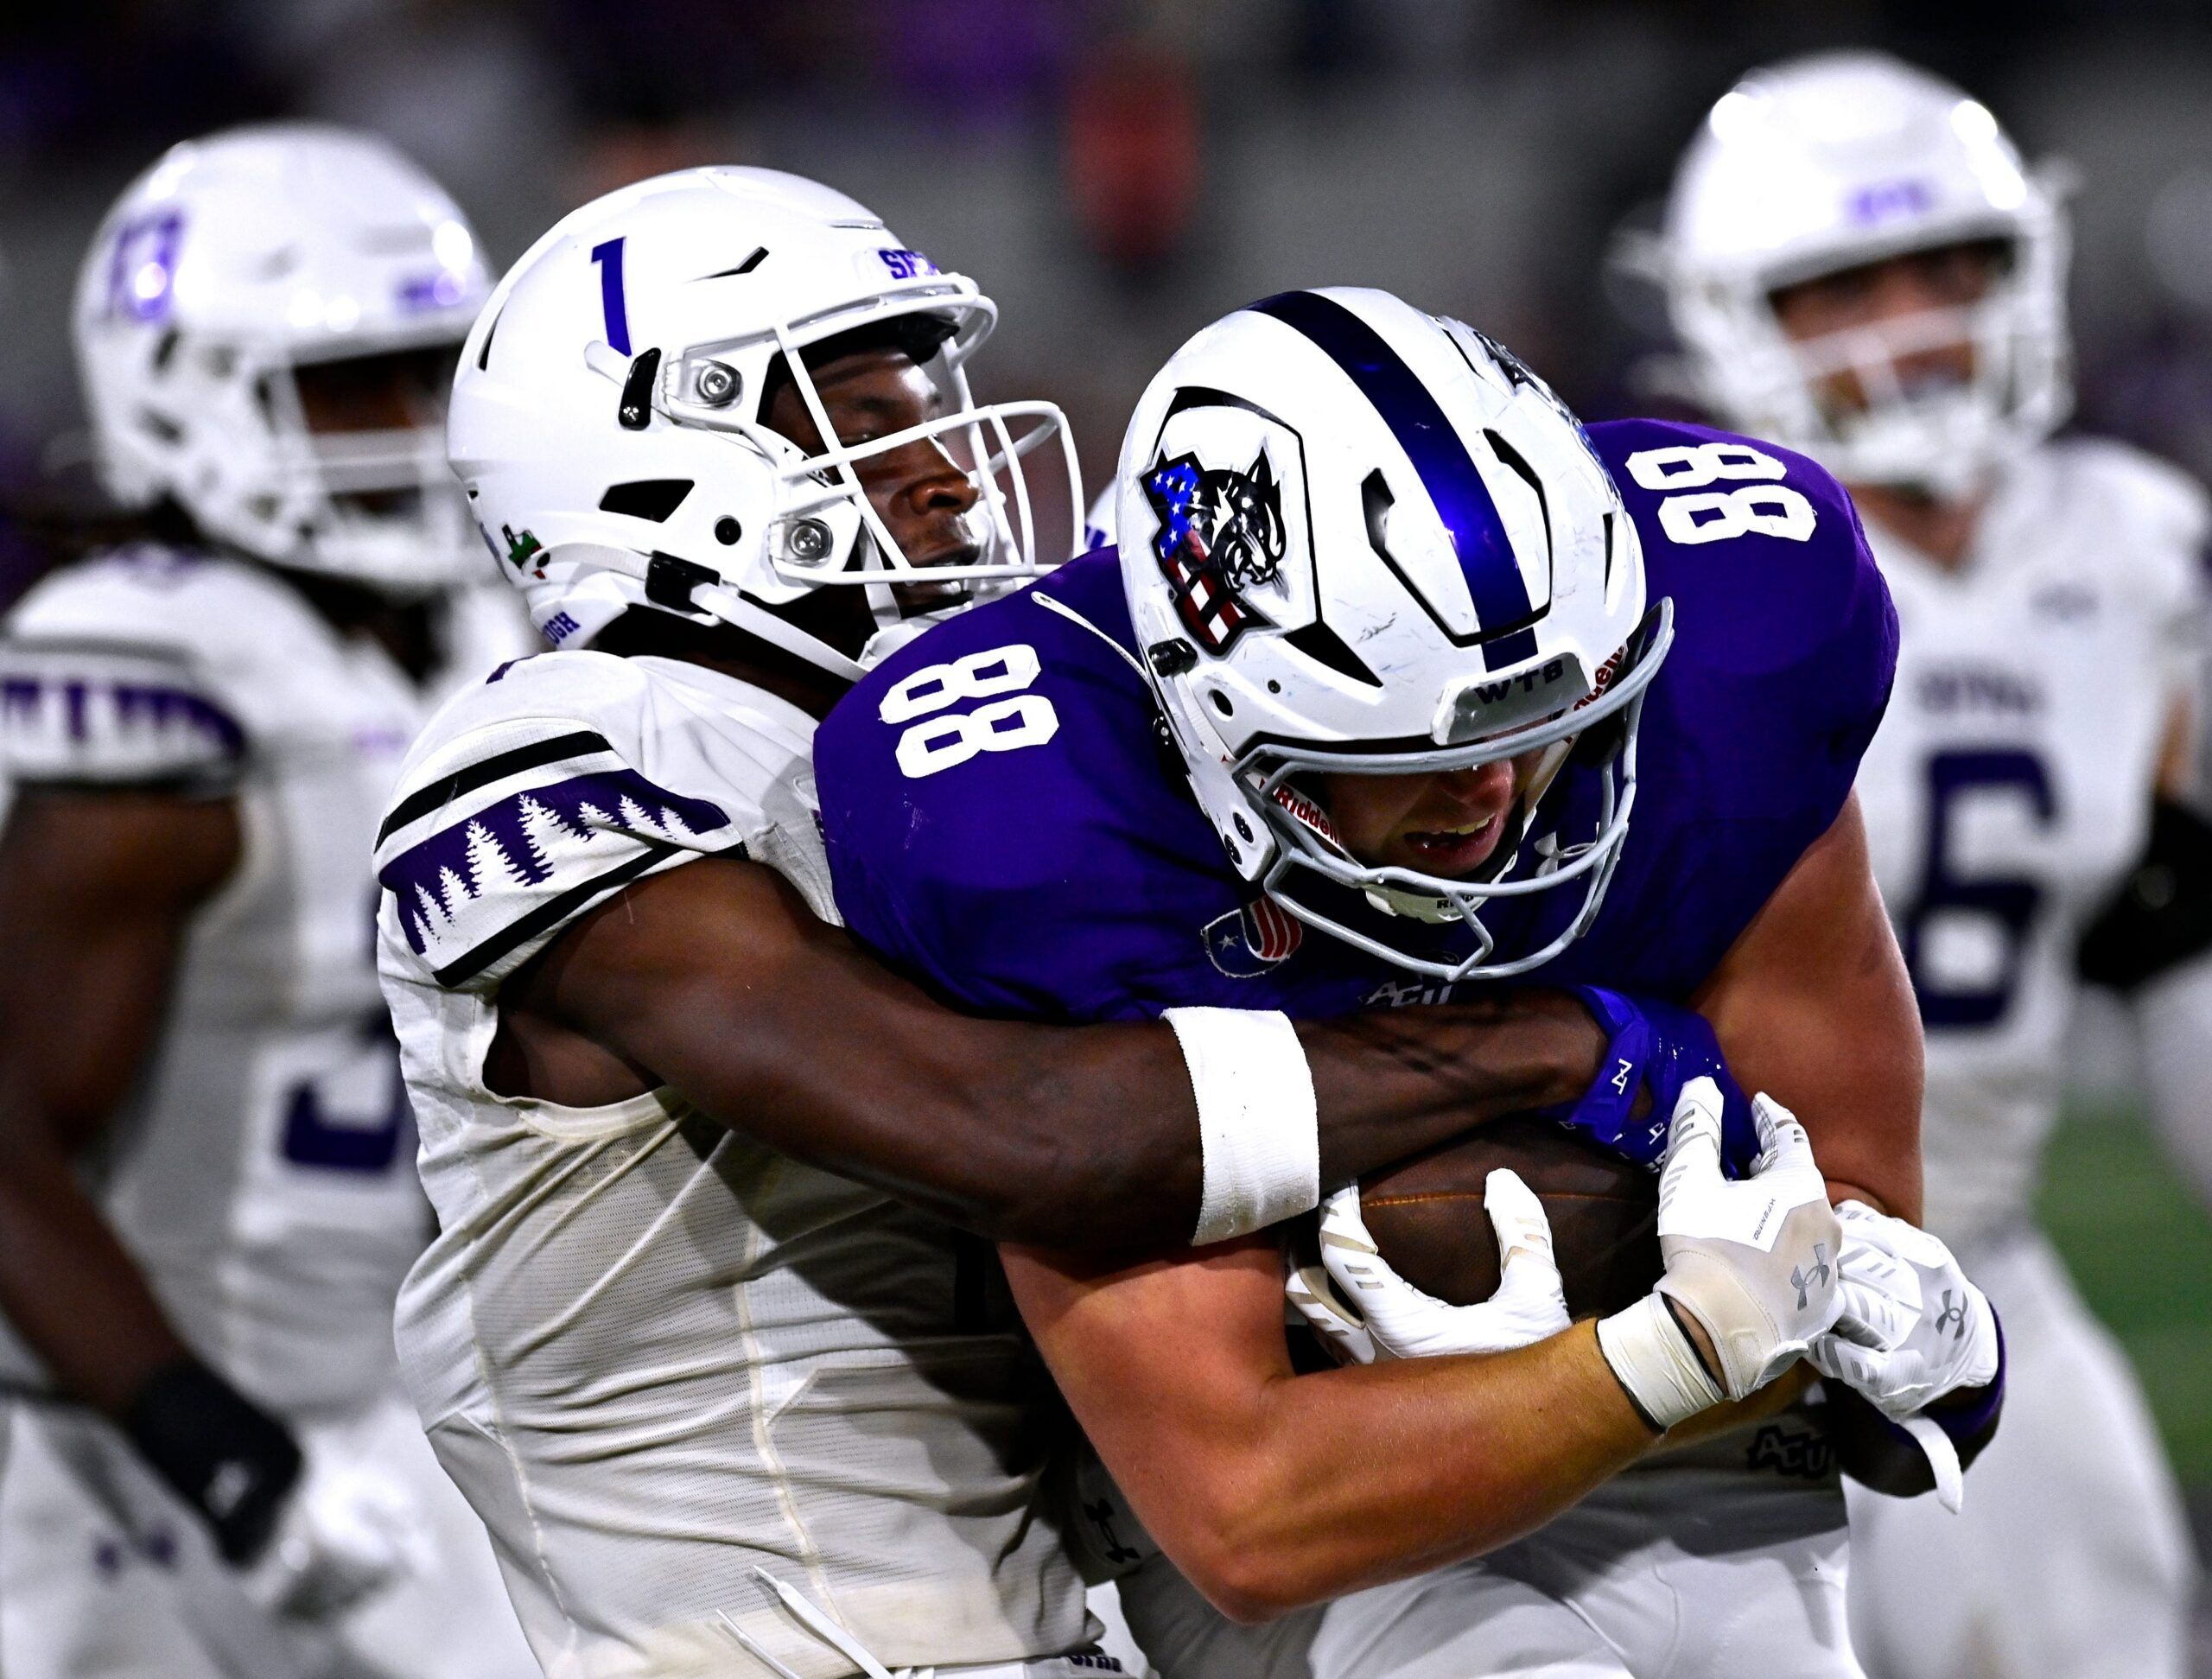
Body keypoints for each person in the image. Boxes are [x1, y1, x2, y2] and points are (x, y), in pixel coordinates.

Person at [375, 167, 1788, 1677]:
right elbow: (1023, 1135)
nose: (948, 468)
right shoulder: (567, 757)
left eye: (933, 402)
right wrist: (1553, 1052)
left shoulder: (964, 755)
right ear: (630, 470)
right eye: (858, 418)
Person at [813, 286, 2005, 1677]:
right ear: (1201, 713)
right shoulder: (1032, 816)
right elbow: (1246, 1514)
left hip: (1721, 1482)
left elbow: (1847, 1190)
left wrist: (1882, 1314)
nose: (1489, 799)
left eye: (1553, 726)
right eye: (1406, 761)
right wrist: (1677, 1344)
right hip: (1355, 1526)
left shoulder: (1743, 633)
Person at [1656, 51, 2207, 1679]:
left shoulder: (2134, 547)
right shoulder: (1658, 559)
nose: (1911, 319)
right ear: (1732, 312)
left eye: (1951, 268)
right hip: (1683, 1282)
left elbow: (2175, 938)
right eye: (1843, 286)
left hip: (1983, 1259)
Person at [0, 126, 539, 1678]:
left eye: (428, 377)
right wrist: (217, 1449)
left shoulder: (474, 637)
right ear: (181, 395)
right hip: (119, 1449)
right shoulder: (165, 671)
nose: (406, 430)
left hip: (397, 1408)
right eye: (346, 385)